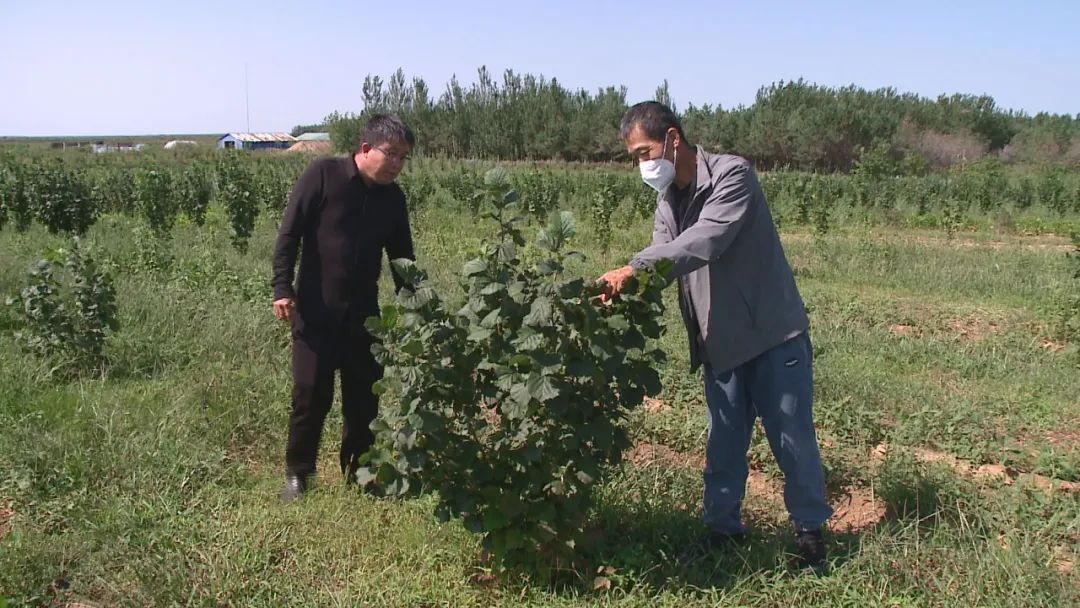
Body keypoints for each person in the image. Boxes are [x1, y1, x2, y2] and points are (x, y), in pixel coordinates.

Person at [598, 102, 832, 568]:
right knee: (723, 443)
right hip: (719, 341)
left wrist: (636, 267)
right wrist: (621, 286)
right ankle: (722, 530)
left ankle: (810, 535)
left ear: (672, 138)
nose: (642, 164)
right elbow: (663, 251)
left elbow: (707, 238)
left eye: (645, 151)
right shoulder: (668, 200)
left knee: (791, 440)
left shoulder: (732, 175)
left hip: (770, 335)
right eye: (634, 158)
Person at [271, 114, 416, 503]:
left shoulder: (393, 199)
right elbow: (289, 235)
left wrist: (418, 308)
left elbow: (402, 259)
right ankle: (299, 476)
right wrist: (282, 287)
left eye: (405, 158)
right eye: (393, 155)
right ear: (366, 149)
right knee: (309, 395)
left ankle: (359, 474)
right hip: (316, 313)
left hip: (364, 318)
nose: (398, 165)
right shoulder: (322, 175)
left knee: (363, 400)